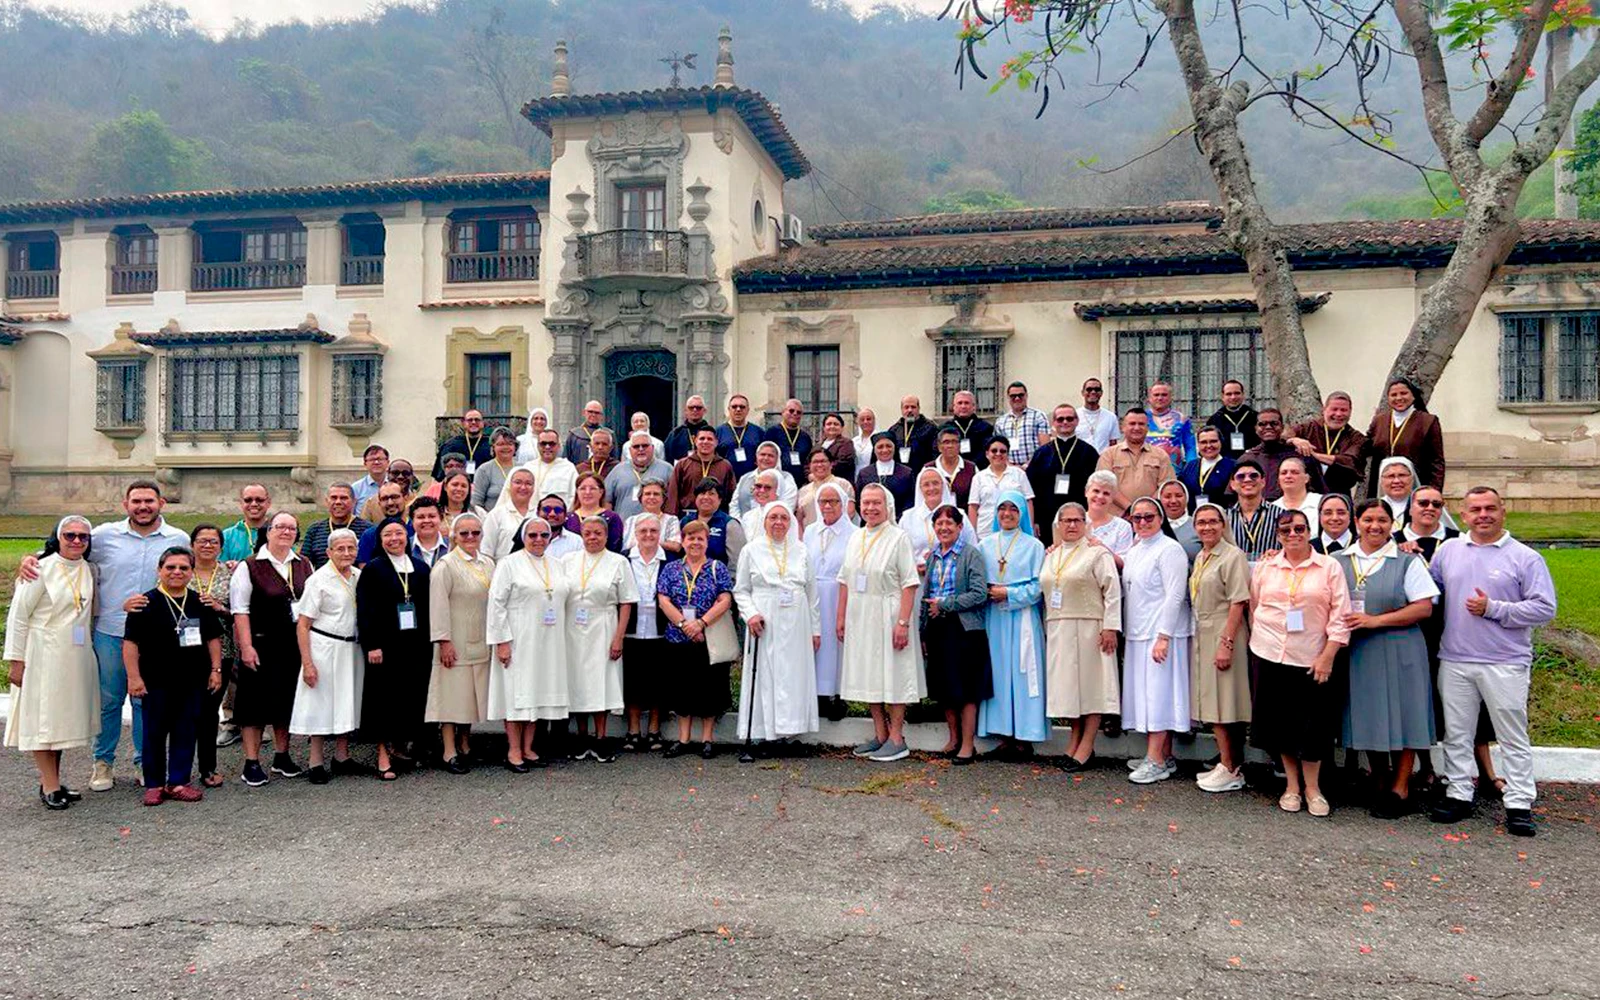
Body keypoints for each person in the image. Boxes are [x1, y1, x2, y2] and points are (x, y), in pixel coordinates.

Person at [17, 481, 192, 793]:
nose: (143, 507)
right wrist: (31, 558)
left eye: (149, 501)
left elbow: (189, 568)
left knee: (144, 702)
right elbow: (67, 549)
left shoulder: (177, 538)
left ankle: (144, 762)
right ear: (126, 505)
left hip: (154, 637)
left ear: (161, 503)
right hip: (110, 631)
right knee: (109, 701)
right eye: (136, 501)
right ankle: (103, 762)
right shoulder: (103, 535)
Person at [1428, 488, 1556, 837]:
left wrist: (1495, 609)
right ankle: (1459, 793)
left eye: (1490, 508)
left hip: (1505, 661)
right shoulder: (1448, 551)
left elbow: (1544, 607)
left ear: (1503, 511)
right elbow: (1432, 591)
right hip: (1455, 658)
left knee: (1512, 735)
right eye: (1475, 509)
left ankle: (1519, 803)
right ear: (1463, 515)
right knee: (1457, 733)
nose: (1483, 515)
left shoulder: (1525, 558)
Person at [1336, 499, 1440, 817]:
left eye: (1382, 520)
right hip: (1359, 650)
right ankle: (1380, 777)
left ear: (1392, 524)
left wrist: (1375, 621)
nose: (1375, 526)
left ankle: (1401, 787)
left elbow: (1423, 607)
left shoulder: (1406, 561)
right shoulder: (1338, 561)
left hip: (1401, 646)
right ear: (1357, 522)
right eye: (1368, 519)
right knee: (1369, 713)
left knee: (1407, 713)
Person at [1249, 509, 1353, 817]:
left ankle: (1313, 788)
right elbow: (1255, 605)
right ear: (1278, 535)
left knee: (1313, 728)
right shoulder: (1267, 567)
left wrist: (1328, 655)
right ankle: (1291, 786)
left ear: (1309, 531)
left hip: (1312, 657)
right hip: (1270, 654)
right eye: (1286, 530)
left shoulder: (1329, 567)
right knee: (1281, 725)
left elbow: (1340, 614)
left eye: (1299, 528)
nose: (1293, 534)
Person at [1399, 485, 1497, 799]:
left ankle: (1486, 772)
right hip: (1411, 631)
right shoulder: (1394, 541)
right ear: (1410, 507)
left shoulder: (1459, 541)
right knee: (1420, 700)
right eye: (1422, 502)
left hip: (1455, 630)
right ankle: (1426, 767)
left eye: (1436, 503)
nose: (1429, 508)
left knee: (1471, 702)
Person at [5, 517, 99, 809]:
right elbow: (19, 617)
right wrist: (16, 661)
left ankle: (53, 780)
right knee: (42, 721)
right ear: (57, 537)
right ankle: (50, 786)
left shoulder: (87, 568)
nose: (76, 541)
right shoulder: (39, 568)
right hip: (41, 654)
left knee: (59, 722)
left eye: (83, 536)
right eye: (69, 535)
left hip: (74, 656)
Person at [123, 546, 224, 806]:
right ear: (159, 570)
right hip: (155, 681)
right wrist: (133, 677)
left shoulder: (200, 602)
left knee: (185, 730)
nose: (177, 572)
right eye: (170, 567)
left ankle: (178, 781)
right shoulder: (144, 603)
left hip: (193, 680)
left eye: (183, 568)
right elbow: (131, 643)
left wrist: (216, 670)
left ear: (191, 572)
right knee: (154, 733)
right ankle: (154, 783)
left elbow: (213, 638)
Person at [837, 483, 924, 763]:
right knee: (869, 675)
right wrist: (841, 617)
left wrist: (903, 623)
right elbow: (845, 580)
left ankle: (897, 738)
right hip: (861, 615)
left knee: (894, 674)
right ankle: (880, 734)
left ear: (887, 506)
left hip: (890, 613)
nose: (870, 508)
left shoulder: (898, 538)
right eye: (866, 502)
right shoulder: (855, 537)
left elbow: (910, 583)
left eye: (876, 503)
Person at [230, 510, 312, 786]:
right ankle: (251, 762)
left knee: (285, 702)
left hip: (293, 645)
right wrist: (246, 646)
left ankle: (282, 756)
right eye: (280, 527)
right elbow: (240, 610)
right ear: (268, 531)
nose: (286, 532)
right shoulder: (249, 566)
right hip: (261, 644)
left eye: (292, 528)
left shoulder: (304, 564)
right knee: (253, 706)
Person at [734, 502, 821, 758]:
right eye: (773, 517)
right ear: (764, 521)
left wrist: (815, 630)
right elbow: (741, 589)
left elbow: (812, 594)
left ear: (790, 522)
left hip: (796, 621)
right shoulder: (751, 550)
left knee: (793, 675)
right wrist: (750, 614)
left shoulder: (801, 550)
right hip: (765, 619)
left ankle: (788, 733)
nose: (778, 522)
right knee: (765, 674)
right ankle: (763, 734)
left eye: (784, 517)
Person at [1040, 504, 1121, 770]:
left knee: (1091, 687)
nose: (1072, 525)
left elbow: (1112, 591)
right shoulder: (1052, 555)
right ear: (1059, 524)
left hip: (1089, 627)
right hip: (1059, 628)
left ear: (1086, 524)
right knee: (1070, 690)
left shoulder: (1097, 553)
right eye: (1067, 521)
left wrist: (1110, 627)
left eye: (1077, 520)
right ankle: (1074, 740)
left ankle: (1087, 745)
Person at [486, 516, 570, 771]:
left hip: (547, 642)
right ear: (523, 537)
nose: (538, 540)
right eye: (532, 535)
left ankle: (528, 748)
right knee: (516, 694)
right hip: (518, 640)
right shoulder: (509, 564)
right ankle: (513, 750)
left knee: (536, 692)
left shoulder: (556, 564)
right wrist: (502, 641)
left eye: (544, 535)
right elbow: (496, 603)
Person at [1121, 497, 1194, 784]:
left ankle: (1156, 761)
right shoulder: (1136, 549)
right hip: (1139, 632)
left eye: (1148, 517)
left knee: (1159, 696)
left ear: (1161, 519)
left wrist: (1164, 636)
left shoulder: (1170, 549)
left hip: (1161, 634)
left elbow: (1175, 595)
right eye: (1136, 517)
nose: (1142, 522)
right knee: (1148, 695)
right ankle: (1164, 755)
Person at [356, 518, 433, 782]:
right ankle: (382, 754)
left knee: (408, 698)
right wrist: (372, 644)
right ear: (380, 540)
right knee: (383, 699)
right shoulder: (374, 568)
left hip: (415, 645)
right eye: (387, 534)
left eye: (399, 533)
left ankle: (400, 747)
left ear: (406, 537)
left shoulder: (420, 568)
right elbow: (365, 609)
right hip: (384, 645)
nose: (394, 539)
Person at [976, 492, 1049, 760]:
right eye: (1002, 508)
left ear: (1022, 514)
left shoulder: (1034, 546)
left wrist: (1008, 593)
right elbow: (977, 580)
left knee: (1023, 673)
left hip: (1023, 619)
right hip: (994, 619)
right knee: (998, 674)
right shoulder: (985, 545)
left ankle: (1024, 737)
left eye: (1013, 509)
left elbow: (1039, 586)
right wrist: (988, 592)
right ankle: (1004, 735)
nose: (1007, 514)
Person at [289, 528, 364, 784]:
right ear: (329, 552)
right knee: (320, 704)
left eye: (351, 548)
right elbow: (303, 625)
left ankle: (342, 757)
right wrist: (307, 663)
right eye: (340, 549)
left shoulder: (358, 576)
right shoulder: (318, 580)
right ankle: (316, 762)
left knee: (346, 701)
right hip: (324, 648)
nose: (346, 553)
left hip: (351, 648)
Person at [657, 519, 736, 759]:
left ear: (707, 542)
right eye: (690, 538)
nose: (695, 543)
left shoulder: (717, 568)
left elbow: (725, 600)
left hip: (708, 638)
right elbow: (663, 600)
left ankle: (707, 740)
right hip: (678, 638)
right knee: (682, 688)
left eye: (700, 538)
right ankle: (683, 739)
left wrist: (701, 623)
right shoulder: (671, 569)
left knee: (709, 688)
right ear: (683, 541)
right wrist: (684, 624)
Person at [1187, 502, 1252, 793]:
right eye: (1201, 523)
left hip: (1225, 631)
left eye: (1213, 521)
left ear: (1223, 525)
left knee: (1225, 702)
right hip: (1204, 632)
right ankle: (1228, 763)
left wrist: (1226, 642)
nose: (1207, 527)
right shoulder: (1202, 556)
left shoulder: (1232, 555)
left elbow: (1238, 601)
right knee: (1214, 701)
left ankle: (1230, 767)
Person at [920, 505, 991, 765]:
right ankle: (953, 739)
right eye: (939, 524)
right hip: (938, 627)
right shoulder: (933, 557)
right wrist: (923, 630)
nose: (944, 528)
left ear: (960, 527)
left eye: (949, 523)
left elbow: (979, 594)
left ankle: (968, 745)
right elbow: (926, 595)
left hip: (964, 629)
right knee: (944, 686)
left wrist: (946, 604)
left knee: (967, 688)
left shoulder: (971, 554)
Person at [562, 516, 637, 761]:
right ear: (581, 535)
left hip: (604, 626)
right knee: (577, 681)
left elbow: (626, 602)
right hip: (572, 628)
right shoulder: (568, 560)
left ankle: (601, 738)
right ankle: (582, 736)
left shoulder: (618, 562)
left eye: (598, 533)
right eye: (588, 533)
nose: (592, 537)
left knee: (601, 681)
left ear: (606, 536)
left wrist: (619, 638)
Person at [426, 514, 494, 774]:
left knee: (470, 696)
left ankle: (465, 744)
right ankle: (448, 751)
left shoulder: (488, 563)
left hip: (479, 640)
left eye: (475, 532)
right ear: (453, 536)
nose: (470, 537)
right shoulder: (445, 566)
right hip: (454, 642)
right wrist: (444, 641)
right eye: (464, 533)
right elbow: (438, 606)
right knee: (451, 697)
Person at [187, 525, 236, 786]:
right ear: (192, 544)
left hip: (222, 650)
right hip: (183, 652)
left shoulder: (231, 573)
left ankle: (208, 767)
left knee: (208, 710)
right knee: (184, 711)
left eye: (213, 541)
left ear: (221, 546)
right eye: (202, 540)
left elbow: (239, 611)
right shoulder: (179, 569)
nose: (207, 545)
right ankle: (179, 769)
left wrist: (219, 607)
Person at [805, 483, 857, 721]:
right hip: (814, 594)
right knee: (816, 644)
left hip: (839, 595)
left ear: (843, 503)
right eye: (822, 501)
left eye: (833, 501)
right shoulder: (809, 531)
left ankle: (838, 695)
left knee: (836, 647)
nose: (827, 506)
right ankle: (817, 696)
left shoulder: (854, 533)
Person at [621, 515, 669, 752]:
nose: (648, 535)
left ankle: (654, 729)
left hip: (661, 630)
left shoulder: (671, 560)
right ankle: (633, 730)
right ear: (635, 534)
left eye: (653, 530)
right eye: (643, 531)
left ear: (660, 534)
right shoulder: (623, 559)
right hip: (631, 630)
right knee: (632, 681)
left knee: (658, 681)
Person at [1364, 376, 1447, 492]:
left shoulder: (1428, 421)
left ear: (1413, 395)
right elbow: (1365, 447)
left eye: (1404, 393)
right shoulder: (1379, 420)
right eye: (1393, 395)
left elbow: (1436, 461)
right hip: (1383, 487)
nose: (1399, 398)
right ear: (1388, 398)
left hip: (1416, 486)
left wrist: (1434, 491)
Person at [1026, 404, 1099, 530]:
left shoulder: (1089, 452)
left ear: (1077, 421)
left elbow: (1095, 487)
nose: (1065, 422)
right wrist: (1036, 520)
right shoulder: (1042, 453)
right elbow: (1032, 488)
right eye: (1060, 419)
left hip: (1079, 517)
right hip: (1047, 518)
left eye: (1069, 419)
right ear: (1053, 423)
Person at [1095, 409, 1174, 517]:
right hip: (1116, 518)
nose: (1136, 428)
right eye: (1132, 424)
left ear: (1147, 428)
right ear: (1122, 427)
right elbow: (1105, 486)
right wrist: (1130, 508)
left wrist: (1145, 510)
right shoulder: (1109, 455)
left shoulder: (1161, 455)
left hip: (1149, 518)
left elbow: (1165, 486)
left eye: (1141, 424)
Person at [1288, 391, 1367, 498]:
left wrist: (1315, 456)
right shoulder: (1307, 429)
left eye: (1343, 410)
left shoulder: (1356, 437)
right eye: (1334, 409)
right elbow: (1282, 437)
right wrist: (1294, 440)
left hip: (1339, 493)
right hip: (1306, 494)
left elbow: (1349, 460)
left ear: (1350, 412)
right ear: (1324, 410)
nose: (1338, 414)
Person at [900, 467, 976, 574]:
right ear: (920, 488)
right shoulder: (908, 518)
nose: (931, 488)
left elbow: (972, 548)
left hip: (952, 576)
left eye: (935, 483)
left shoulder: (959, 515)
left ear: (943, 485)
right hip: (917, 578)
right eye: (926, 484)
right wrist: (913, 568)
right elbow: (901, 553)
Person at [1241, 408, 1326, 501]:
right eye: (1262, 424)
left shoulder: (1300, 456)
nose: (1268, 427)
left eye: (1274, 423)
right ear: (1256, 429)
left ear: (1282, 427)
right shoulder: (1247, 459)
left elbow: (1320, 490)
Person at [969, 436, 1035, 541]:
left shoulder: (1019, 474)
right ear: (987, 454)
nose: (998, 454)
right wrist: (973, 534)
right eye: (994, 451)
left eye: (1003, 451)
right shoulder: (978, 477)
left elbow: (1028, 501)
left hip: (1015, 531)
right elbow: (973, 507)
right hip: (985, 532)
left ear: (1007, 454)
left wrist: (1029, 529)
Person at [1225, 460, 1284, 564]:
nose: (1247, 479)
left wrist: (1281, 553)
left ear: (1263, 482)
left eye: (1253, 476)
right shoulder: (1224, 518)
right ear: (1232, 484)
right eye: (1241, 476)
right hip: (1234, 573)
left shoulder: (1281, 515)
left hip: (1270, 572)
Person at [302, 483, 372, 570]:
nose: (338, 502)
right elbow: (304, 566)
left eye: (343, 498)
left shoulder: (367, 530)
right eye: (334, 498)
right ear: (327, 501)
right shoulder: (314, 530)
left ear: (354, 502)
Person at [606, 431, 675, 520]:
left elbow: (673, 500)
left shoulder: (667, 469)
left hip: (657, 526)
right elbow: (607, 501)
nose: (641, 449)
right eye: (636, 446)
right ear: (630, 450)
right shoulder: (618, 470)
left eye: (645, 446)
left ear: (653, 448)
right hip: (624, 526)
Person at [668, 426, 736, 514]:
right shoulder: (682, 464)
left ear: (716, 442)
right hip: (688, 515)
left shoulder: (725, 466)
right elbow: (673, 493)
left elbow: (731, 495)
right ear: (695, 441)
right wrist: (672, 516)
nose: (705, 442)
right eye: (702, 438)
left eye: (710, 439)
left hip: (716, 515)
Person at [683, 478, 745, 567]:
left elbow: (737, 561)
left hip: (719, 574)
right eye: (702, 493)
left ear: (720, 499)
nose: (706, 497)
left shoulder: (730, 524)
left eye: (711, 494)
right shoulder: (685, 521)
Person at [731, 441, 799, 520]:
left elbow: (788, 506)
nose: (766, 458)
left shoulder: (786, 479)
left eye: (770, 456)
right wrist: (739, 523)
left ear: (777, 459)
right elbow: (734, 505)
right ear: (756, 456)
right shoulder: (745, 478)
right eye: (762, 454)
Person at [854, 432, 916, 516]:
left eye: (888, 446)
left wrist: (898, 518)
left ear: (894, 448)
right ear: (874, 450)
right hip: (871, 519)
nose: (885, 450)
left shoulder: (906, 473)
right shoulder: (864, 474)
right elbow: (859, 500)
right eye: (880, 447)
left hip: (900, 520)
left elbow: (911, 500)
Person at [796, 448, 856, 534]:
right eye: (815, 462)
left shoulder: (843, 484)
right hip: (811, 536)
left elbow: (850, 512)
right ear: (809, 466)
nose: (819, 465)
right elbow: (799, 519)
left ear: (831, 464)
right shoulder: (803, 491)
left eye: (823, 461)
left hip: (838, 534)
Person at [481, 468, 537, 560]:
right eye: (518, 482)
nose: (523, 487)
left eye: (528, 483)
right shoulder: (496, 515)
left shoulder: (538, 514)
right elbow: (486, 551)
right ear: (509, 486)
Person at [994, 380, 1051, 467]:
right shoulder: (1000, 421)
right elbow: (998, 448)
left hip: (1035, 467)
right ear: (1008, 397)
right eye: (1013, 396)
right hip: (1009, 469)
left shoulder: (1038, 416)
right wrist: (1011, 466)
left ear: (1026, 396)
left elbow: (1045, 446)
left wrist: (1027, 465)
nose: (1017, 398)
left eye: (1020, 395)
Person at [1177, 426, 1236, 509]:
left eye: (1213, 441)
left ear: (1220, 442)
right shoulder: (1190, 466)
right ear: (1198, 444)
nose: (1208, 446)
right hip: (1194, 514)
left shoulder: (1232, 466)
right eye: (1203, 442)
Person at [1084, 470, 1134, 565]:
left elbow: (1124, 564)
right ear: (1086, 492)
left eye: (1106, 493)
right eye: (1096, 491)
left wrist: (1102, 549)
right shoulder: (1074, 521)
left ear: (1112, 498)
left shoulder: (1122, 527)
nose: (1100, 496)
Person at [566, 472, 625, 553]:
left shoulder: (612, 518)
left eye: (592, 488)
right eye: (583, 488)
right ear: (577, 492)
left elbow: (615, 548)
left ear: (601, 491)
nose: (587, 492)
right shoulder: (567, 519)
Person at [355, 482, 410, 566]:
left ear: (405, 498)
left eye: (395, 497)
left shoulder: (416, 530)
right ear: (379, 503)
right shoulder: (370, 535)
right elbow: (364, 569)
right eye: (385, 499)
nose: (390, 503)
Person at [522, 428, 579, 508]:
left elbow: (574, 496)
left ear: (558, 446)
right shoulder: (528, 468)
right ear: (537, 446)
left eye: (552, 444)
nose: (547, 447)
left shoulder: (569, 468)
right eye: (543, 444)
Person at [622, 480, 682, 556]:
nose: (651, 497)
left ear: (663, 498)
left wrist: (647, 542)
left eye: (656, 494)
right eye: (647, 494)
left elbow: (676, 546)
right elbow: (626, 546)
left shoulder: (671, 520)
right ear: (641, 498)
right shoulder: (631, 521)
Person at [927, 425, 980, 510]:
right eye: (946, 442)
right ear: (939, 446)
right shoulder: (929, 469)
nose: (950, 445)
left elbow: (977, 500)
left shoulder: (972, 468)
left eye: (954, 442)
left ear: (959, 445)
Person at [433, 408, 494, 481]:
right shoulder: (451, 445)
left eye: (477, 420)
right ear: (463, 423)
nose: (473, 422)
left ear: (483, 423)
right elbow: (439, 477)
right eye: (470, 420)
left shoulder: (491, 445)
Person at [469, 427, 522, 511]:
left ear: (515, 446)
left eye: (510, 444)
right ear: (493, 447)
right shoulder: (484, 470)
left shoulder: (522, 468)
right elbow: (476, 502)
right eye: (501, 444)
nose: (506, 447)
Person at [1144, 381, 1196, 466]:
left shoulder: (1181, 419)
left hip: (1174, 470)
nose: (1160, 398)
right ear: (1149, 398)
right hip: (1146, 469)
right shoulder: (1140, 418)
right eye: (1156, 395)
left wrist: (1192, 468)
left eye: (1164, 395)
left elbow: (1190, 448)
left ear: (1171, 397)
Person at [764, 397, 815, 483]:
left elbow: (809, 461)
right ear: (783, 412)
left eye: (799, 412)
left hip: (800, 482)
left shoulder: (805, 437)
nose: (795, 414)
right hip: (778, 481)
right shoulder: (772, 433)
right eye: (791, 411)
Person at [1206, 379, 1258, 458]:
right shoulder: (1214, 420)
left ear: (1243, 395)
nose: (1233, 397)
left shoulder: (1255, 417)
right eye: (1229, 394)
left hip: (1251, 460)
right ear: (1222, 397)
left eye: (1237, 393)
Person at [716, 393, 763, 479]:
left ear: (748, 410)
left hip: (752, 479)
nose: (738, 409)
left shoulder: (758, 432)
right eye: (734, 407)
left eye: (742, 407)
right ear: (729, 409)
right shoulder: (718, 432)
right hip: (726, 479)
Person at [220, 484, 273, 562]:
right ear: (241, 503)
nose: (254, 504)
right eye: (248, 500)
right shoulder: (226, 536)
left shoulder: (280, 533)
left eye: (259, 500)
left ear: (268, 503)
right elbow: (220, 566)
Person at [888, 394, 939, 471]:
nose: (910, 410)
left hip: (923, 471)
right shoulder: (894, 430)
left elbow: (935, 453)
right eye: (906, 407)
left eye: (913, 407)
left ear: (919, 408)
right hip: (902, 473)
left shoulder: (931, 428)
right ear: (901, 409)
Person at [362, 459, 418, 524]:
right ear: (388, 475)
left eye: (405, 473)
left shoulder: (418, 502)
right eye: (395, 473)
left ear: (412, 477)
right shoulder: (372, 503)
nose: (400, 477)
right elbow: (363, 527)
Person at [665, 395, 714, 464]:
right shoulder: (675, 434)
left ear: (704, 411)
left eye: (698, 408)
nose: (695, 410)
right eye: (691, 408)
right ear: (686, 411)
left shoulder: (712, 433)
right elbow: (667, 457)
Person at [946, 390, 994, 460]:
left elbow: (987, 450)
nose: (963, 406)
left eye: (967, 403)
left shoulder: (985, 428)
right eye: (960, 403)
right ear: (953, 407)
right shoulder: (945, 428)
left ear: (974, 406)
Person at [1159, 479, 1201, 560]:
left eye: (1178, 496)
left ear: (1186, 497)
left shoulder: (1198, 525)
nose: (1173, 501)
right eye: (1167, 497)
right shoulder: (1153, 527)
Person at [1276, 456, 1323, 525]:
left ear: (1306, 478)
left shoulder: (1321, 502)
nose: (1288, 476)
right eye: (1283, 473)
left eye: (1294, 472)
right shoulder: (1273, 508)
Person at [1075, 378, 1118, 453]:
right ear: (1083, 392)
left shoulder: (1111, 417)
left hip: (1103, 459)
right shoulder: (1074, 416)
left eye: (1097, 389)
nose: (1093, 392)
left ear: (1101, 393)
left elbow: (1113, 445)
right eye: (1089, 389)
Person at [407, 497, 450, 567]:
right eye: (420, 517)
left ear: (441, 518)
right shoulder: (405, 547)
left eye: (432, 516)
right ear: (412, 521)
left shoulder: (452, 546)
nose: (426, 521)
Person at [817, 412, 858, 483]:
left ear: (842, 428)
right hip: (819, 482)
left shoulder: (846, 443)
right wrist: (810, 475)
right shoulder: (818, 446)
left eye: (836, 424)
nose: (832, 426)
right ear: (824, 428)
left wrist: (820, 471)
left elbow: (842, 463)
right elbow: (808, 463)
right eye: (829, 424)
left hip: (838, 483)